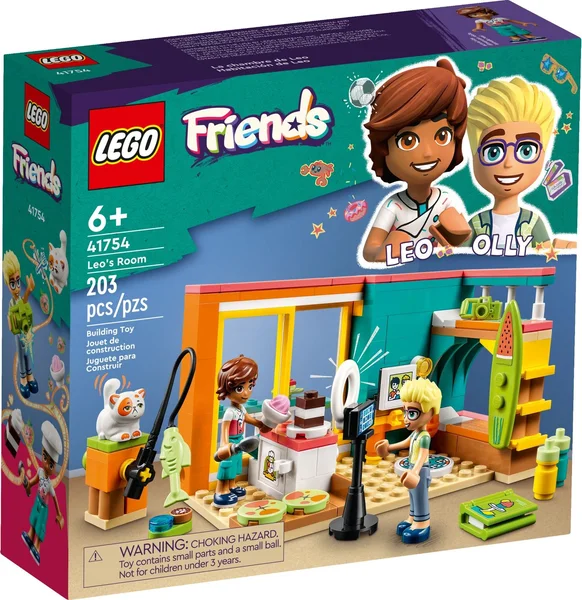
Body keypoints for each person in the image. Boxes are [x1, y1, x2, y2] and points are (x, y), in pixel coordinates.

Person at [362, 58, 471, 262]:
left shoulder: (446, 201)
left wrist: (456, 233)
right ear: (383, 147)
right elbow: (369, 252)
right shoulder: (394, 206)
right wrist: (389, 248)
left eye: (442, 136)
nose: (428, 153)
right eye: (408, 141)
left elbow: (466, 243)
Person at [466, 76, 576, 250]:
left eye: (526, 150)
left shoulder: (532, 223)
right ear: (474, 156)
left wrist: (564, 248)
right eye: (493, 152)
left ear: (542, 154)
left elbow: (546, 255)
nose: (509, 163)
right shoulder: (477, 224)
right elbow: (455, 255)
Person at [375, 378, 441, 544]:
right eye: (405, 412)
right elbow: (406, 443)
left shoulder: (424, 436)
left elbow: (423, 455)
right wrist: (389, 447)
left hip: (420, 470)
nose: (406, 418)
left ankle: (423, 523)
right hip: (413, 469)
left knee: (419, 497)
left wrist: (415, 472)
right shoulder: (415, 434)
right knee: (412, 495)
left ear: (430, 412)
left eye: (412, 413)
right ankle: (412, 518)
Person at [213, 356, 271, 508]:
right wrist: (225, 445)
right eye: (240, 388)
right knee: (227, 466)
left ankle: (231, 486)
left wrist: (260, 424)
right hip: (231, 443)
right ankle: (221, 491)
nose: (246, 393)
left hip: (240, 443)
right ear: (226, 389)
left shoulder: (240, 408)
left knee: (235, 466)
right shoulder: (229, 412)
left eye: (249, 387)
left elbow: (247, 418)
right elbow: (224, 430)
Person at [21, 421, 65, 566]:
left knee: (40, 525)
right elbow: (34, 481)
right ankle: (29, 536)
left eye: (51, 464)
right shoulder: (40, 472)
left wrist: (59, 514)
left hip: (45, 508)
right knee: (33, 518)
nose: (46, 464)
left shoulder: (50, 484)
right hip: (37, 501)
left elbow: (55, 498)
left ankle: (37, 548)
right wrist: (28, 484)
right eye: (45, 458)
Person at [3, 250, 38, 398]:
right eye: (12, 284)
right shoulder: (12, 303)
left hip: (25, 331)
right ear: (7, 284)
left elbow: (24, 302)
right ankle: (23, 377)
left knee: (28, 353)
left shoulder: (20, 300)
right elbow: (14, 313)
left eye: (18, 282)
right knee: (21, 354)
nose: (17, 287)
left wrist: (29, 290)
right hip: (18, 333)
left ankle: (30, 375)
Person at [456, 6, 546, 43]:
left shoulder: (500, 18)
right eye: (474, 15)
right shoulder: (480, 20)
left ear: (490, 12)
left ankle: (531, 37)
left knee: (520, 31)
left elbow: (512, 21)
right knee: (510, 34)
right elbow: (479, 25)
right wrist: (478, 29)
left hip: (509, 25)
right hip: (498, 28)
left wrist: (523, 23)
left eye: (482, 13)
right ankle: (516, 39)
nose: (479, 15)